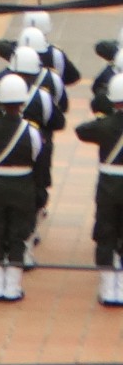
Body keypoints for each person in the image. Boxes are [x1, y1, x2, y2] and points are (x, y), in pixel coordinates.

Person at [0, 72, 45, 304]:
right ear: (23, 102)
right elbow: (37, 159)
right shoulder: (32, 131)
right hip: (22, 182)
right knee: (18, 232)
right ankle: (12, 287)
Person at [75, 87, 123, 308]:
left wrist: (102, 116)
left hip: (108, 185)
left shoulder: (104, 125)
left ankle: (108, 289)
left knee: (106, 233)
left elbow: (81, 130)